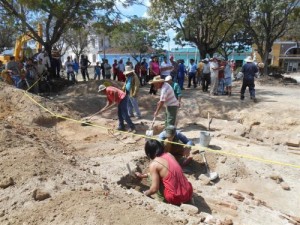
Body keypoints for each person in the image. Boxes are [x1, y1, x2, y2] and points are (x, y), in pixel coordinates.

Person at [135, 139, 193, 205]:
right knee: (159, 176)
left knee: (152, 179)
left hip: (175, 197)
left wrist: (145, 194)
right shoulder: (169, 155)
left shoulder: (154, 164)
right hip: (188, 191)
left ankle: (164, 202)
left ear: (149, 153)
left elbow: (154, 189)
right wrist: (143, 176)